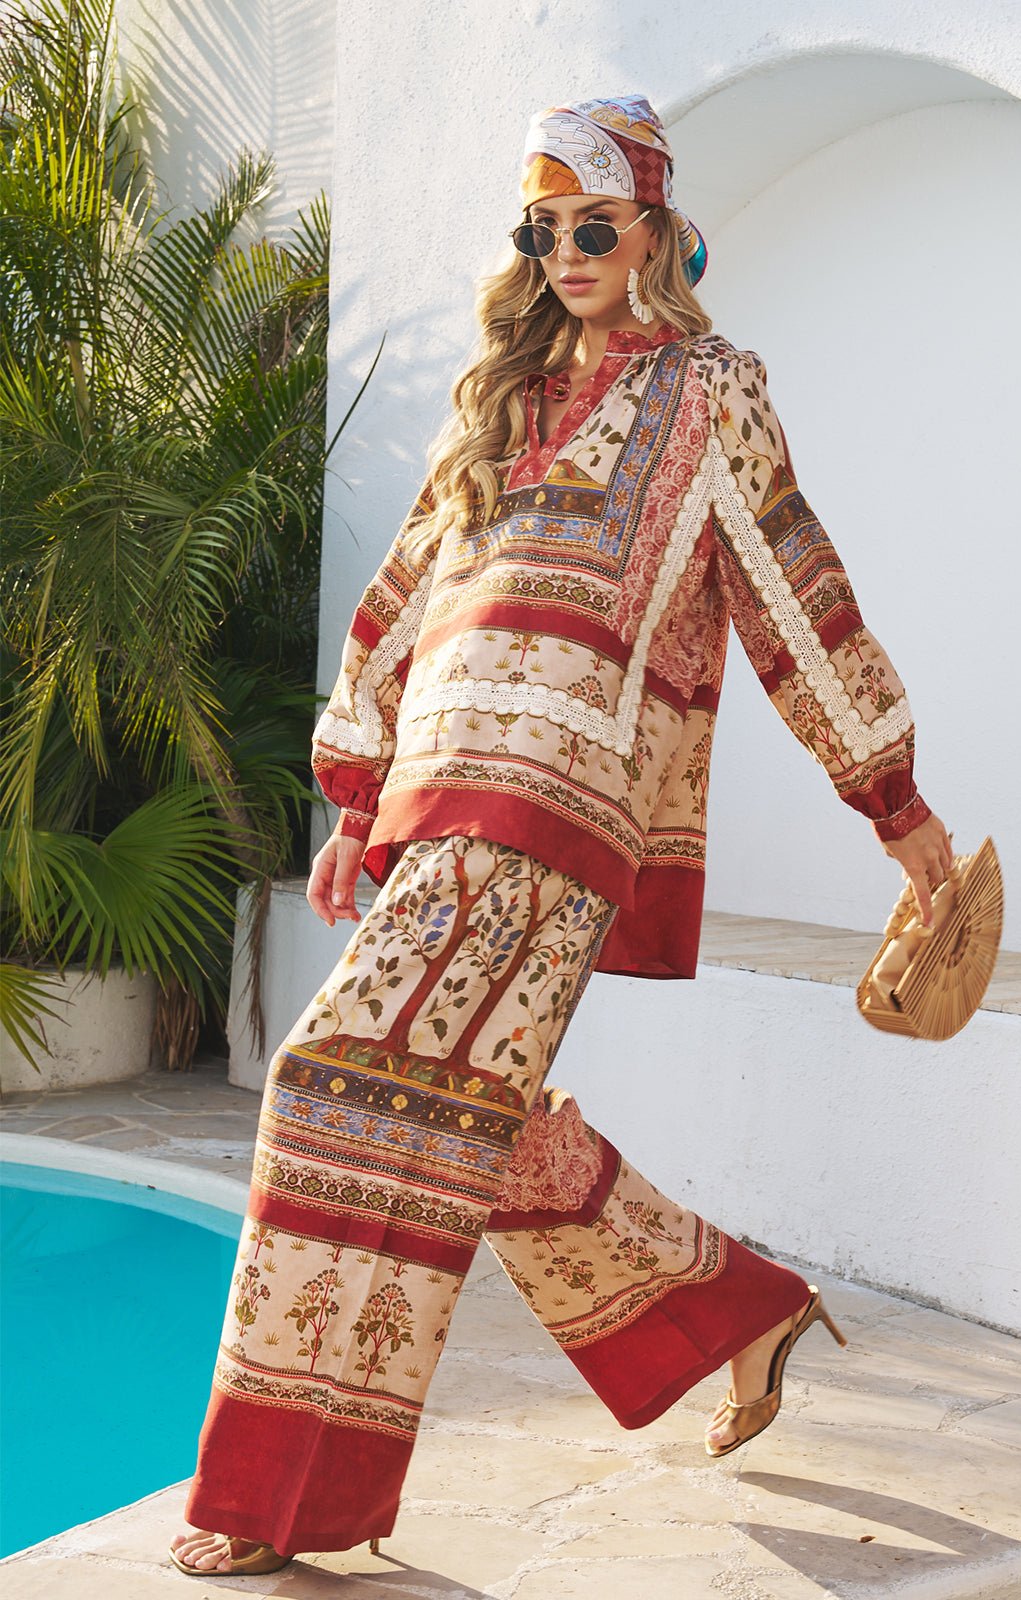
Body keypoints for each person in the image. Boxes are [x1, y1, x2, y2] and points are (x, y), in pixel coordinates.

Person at [170, 93, 953, 1578]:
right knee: (457, 1123)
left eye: (598, 224)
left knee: (328, 1083)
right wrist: (352, 795)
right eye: (548, 230)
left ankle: (276, 1503)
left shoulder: (715, 386)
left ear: (657, 229)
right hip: (437, 793)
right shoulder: (505, 396)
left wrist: (893, 803)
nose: (572, 250)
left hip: (563, 804)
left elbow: (796, 593)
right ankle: (744, 1307)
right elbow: (406, 595)